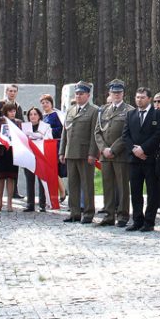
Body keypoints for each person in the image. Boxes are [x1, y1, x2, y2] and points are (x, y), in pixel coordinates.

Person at [123, 87, 160, 232]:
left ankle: (149, 222)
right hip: (134, 160)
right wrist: (134, 150)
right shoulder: (130, 114)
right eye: (137, 97)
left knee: (152, 191)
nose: (139, 100)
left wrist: (143, 149)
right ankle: (137, 220)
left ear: (148, 99)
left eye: (142, 97)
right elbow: (125, 135)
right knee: (135, 191)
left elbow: (158, 134)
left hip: (151, 158)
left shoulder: (158, 114)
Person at [94, 79, 134, 227]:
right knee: (108, 185)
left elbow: (127, 134)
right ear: (109, 93)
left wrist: (113, 149)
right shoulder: (103, 110)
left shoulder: (129, 110)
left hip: (120, 155)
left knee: (122, 186)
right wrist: (103, 149)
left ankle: (123, 216)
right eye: (114, 92)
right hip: (105, 155)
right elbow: (97, 132)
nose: (116, 94)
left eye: (119, 92)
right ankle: (109, 215)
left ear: (123, 93)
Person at [59, 81, 99, 224]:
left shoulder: (94, 111)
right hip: (71, 152)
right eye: (77, 94)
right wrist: (62, 151)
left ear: (88, 95)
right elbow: (65, 132)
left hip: (85, 153)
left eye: (81, 94)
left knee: (87, 184)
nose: (78, 96)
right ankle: (74, 212)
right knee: (73, 184)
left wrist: (92, 153)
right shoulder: (70, 110)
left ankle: (88, 213)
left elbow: (95, 134)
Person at [0, 84, 24, 200]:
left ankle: (14, 192)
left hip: (14, 146)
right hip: (0, 145)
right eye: (10, 91)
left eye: (14, 91)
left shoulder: (18, 107)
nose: (12, 93)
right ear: (6, 92)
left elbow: (21, 124)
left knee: (13, 171)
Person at [0, 103, 23, 212]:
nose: (12, 113)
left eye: (14, 111)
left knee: (11, 177)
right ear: (5, 111)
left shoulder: (18, 122)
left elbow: (22, 136)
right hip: (1, 152)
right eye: (10, 111)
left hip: (13, 153)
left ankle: (10, 203)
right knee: (0, 178)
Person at [22, 107, 53, 212]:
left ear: (39, 116)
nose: (33, 116)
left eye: (35, 114)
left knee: (42, 181)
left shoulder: (46, 126)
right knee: (29, 180)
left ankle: (42, 204)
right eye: (31, 114)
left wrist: (36, 136)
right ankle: (30, 204)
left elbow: (49, 138)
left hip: (41, 156)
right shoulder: (25, 127)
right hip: (29, 156)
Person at [40, 94, 66, 202]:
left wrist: (48, 130)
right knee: (48, 171)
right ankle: (53, 194)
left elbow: (61, 130)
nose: (45, 104)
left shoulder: (56, 115)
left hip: (55, 144)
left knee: (52, 170)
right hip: (44, 145)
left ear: (51, 104)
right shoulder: (42, 116)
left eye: (47, 102)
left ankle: (63, 191)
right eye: (43, 103)